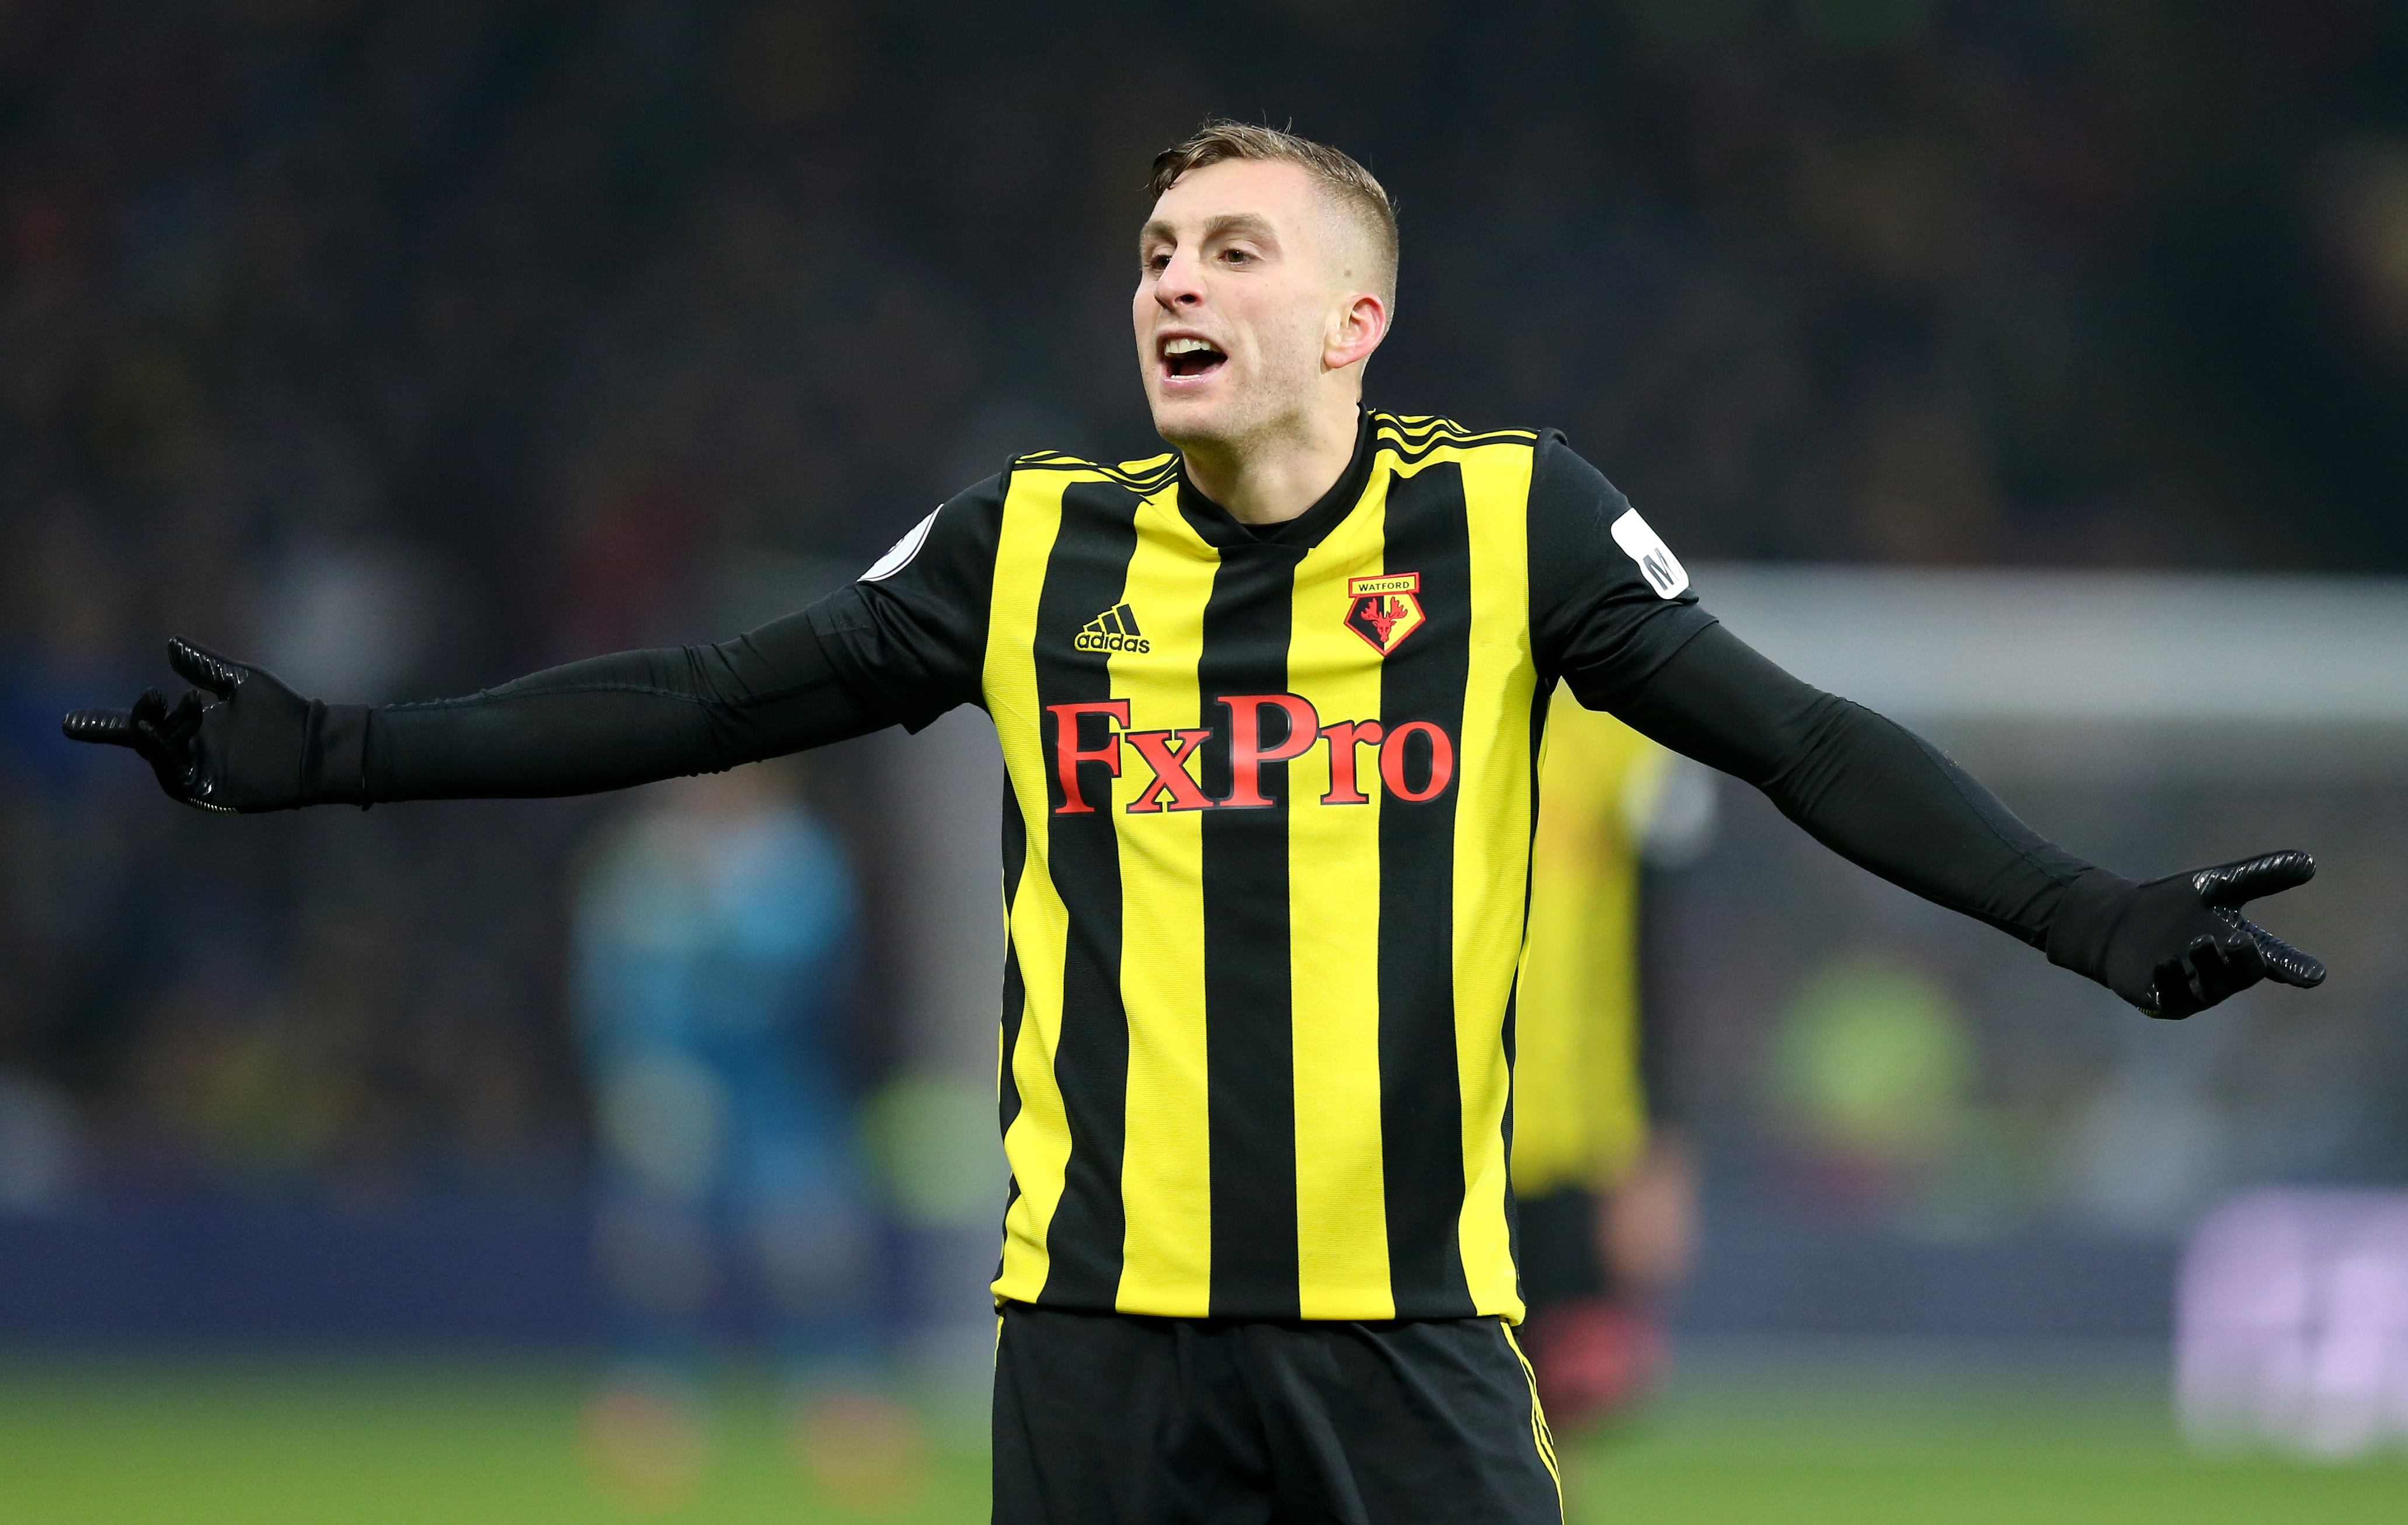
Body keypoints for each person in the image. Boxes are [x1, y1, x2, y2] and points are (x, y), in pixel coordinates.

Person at [64, 121, 2326, 1524]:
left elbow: (1798, 737)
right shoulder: (1019, 547)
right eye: (1156, 250)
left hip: (1409, 1328)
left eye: (1230, 247)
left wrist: (2090, 912)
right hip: (1094, 1337)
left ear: (1355, 314)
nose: (1172, 278)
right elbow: (693, 695)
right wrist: (334, 751)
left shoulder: (1508, 520)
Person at [568, 761, 920, 1509]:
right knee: (657, 1250)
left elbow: (801, 963)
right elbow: (612, 974)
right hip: (671, 1073)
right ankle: (654, 1408)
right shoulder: (641, 858)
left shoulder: (795, 854)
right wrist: (633, 1070)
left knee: (812, 1246)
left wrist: (709, 914)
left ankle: (838, 1405)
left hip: (776, 1077)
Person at [1512, 697, 1694, 1430]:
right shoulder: (1408, 681)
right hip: (1412, 1125)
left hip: (1574, 1139)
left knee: (1565, 1401)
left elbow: (1665, 951)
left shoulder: (1626, 727)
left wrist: (1658, 1147)